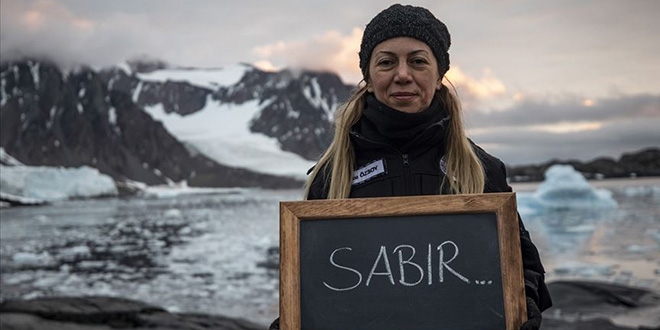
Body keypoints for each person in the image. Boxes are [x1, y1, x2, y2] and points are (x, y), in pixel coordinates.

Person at [270, 4, 551, 329]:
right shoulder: (332, 175)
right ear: (369, 77)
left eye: (417, 61)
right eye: (387, 62)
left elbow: (524, 264)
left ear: (439, 73)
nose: (402, 74)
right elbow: (313, 284)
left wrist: (521, 304)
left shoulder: (479, 168)